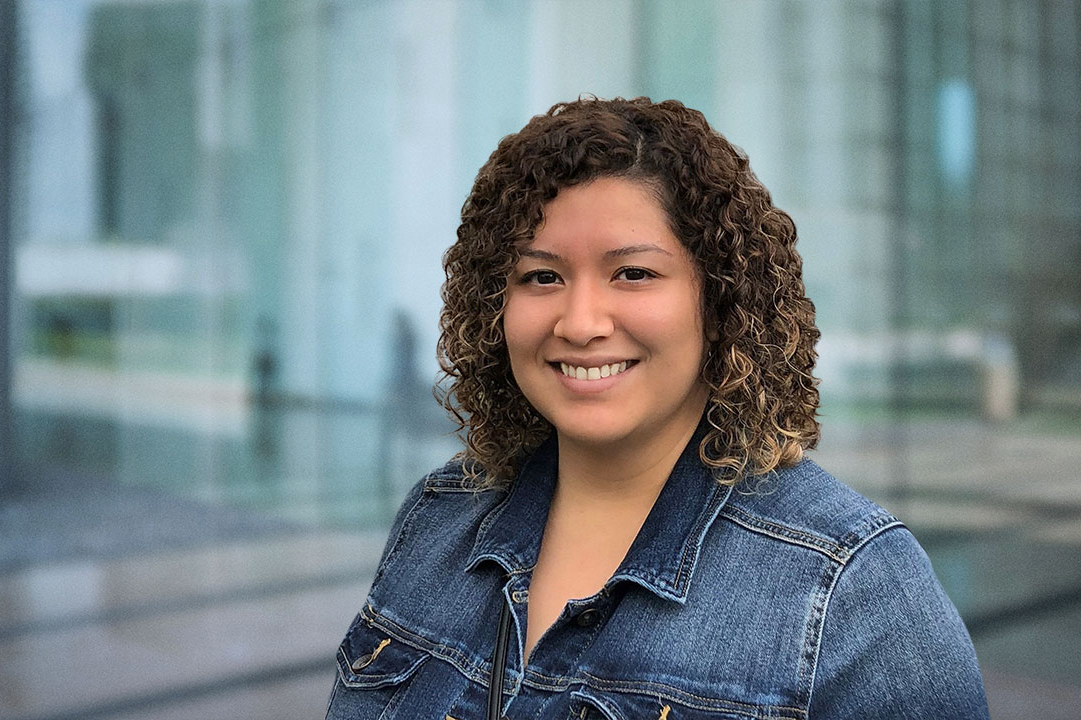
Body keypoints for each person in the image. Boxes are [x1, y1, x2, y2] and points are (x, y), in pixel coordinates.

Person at [325, 97, 989, 719]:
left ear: (722, 299)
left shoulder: (852, 588)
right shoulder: (439, 517)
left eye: (633, 273)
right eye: (542, 277)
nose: (580, 322)